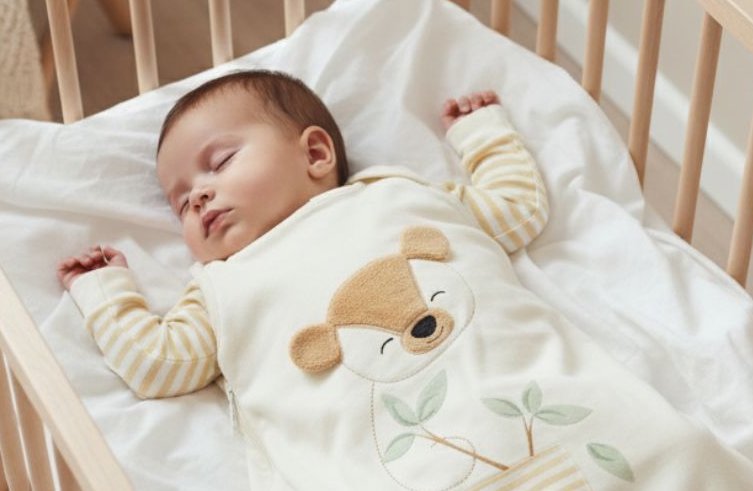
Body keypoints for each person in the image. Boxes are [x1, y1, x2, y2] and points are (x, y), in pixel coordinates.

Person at [55, 68, 548, 399]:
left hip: (496, 379)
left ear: (315, 155)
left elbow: (515, 211)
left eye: (220, 162)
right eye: (181, 202)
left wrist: (482, 136)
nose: (199, 197)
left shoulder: (393, 195)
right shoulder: (221, 284)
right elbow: (159, 364)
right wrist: (105, 291)